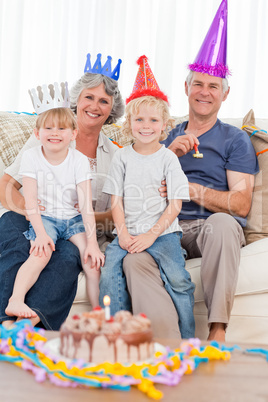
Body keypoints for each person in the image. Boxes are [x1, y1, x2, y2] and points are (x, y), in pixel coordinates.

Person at [122, 0, 259, 341]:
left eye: (214, 86)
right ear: (186, 88)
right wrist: (166, 153)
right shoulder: (159, 131)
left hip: (209, 227)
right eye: (198, 84)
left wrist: (191, 190)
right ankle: (170, 344)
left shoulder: (235, 140)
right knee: (133, 260)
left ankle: (217, 332)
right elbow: (133, 186)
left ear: (224, 96)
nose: (204, 92)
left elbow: (241, 205)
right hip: (163, 226)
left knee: (225, 224)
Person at [0, 53, 124, 329]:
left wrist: (91, 225)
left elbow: (112, 213)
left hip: (76, 225)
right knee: (22, 238)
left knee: (69, 256)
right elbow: (6, 186)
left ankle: (31, 324)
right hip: (27, 213)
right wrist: (34, 215)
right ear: (76, 100)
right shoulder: (50, 135)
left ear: (111, 109)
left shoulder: (115, 156)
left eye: (104, 101)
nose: (95, 106)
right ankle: (4, 318)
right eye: (89, 97)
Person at [99, 56, 195, 339]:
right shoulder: (122, 157)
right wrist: (125, 234)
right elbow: (116, 200)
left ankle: (188, 339)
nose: (146, 125)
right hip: (127, 232)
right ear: (129, 122)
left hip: (163, 234)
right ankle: (117, 336)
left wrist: (152, 236)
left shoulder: (168, 158)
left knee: (179, 280)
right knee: (109, 274)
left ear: (165, 124)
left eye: (153, 120)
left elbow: (175, 204)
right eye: (139, 119)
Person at [5, 102, 105, 322]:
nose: (54, 133)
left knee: (89, 258)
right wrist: (41, 234)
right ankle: (16, 300)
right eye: (48, 128)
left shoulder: (78, 160)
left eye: (61, 129)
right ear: (37, 133)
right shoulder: (32, 156)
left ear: (73, 134)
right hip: (46, 218)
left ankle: (99, 312)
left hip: (72, 219)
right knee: (41, 254)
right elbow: (30, 200)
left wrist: (93, 243)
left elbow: (86, 204)